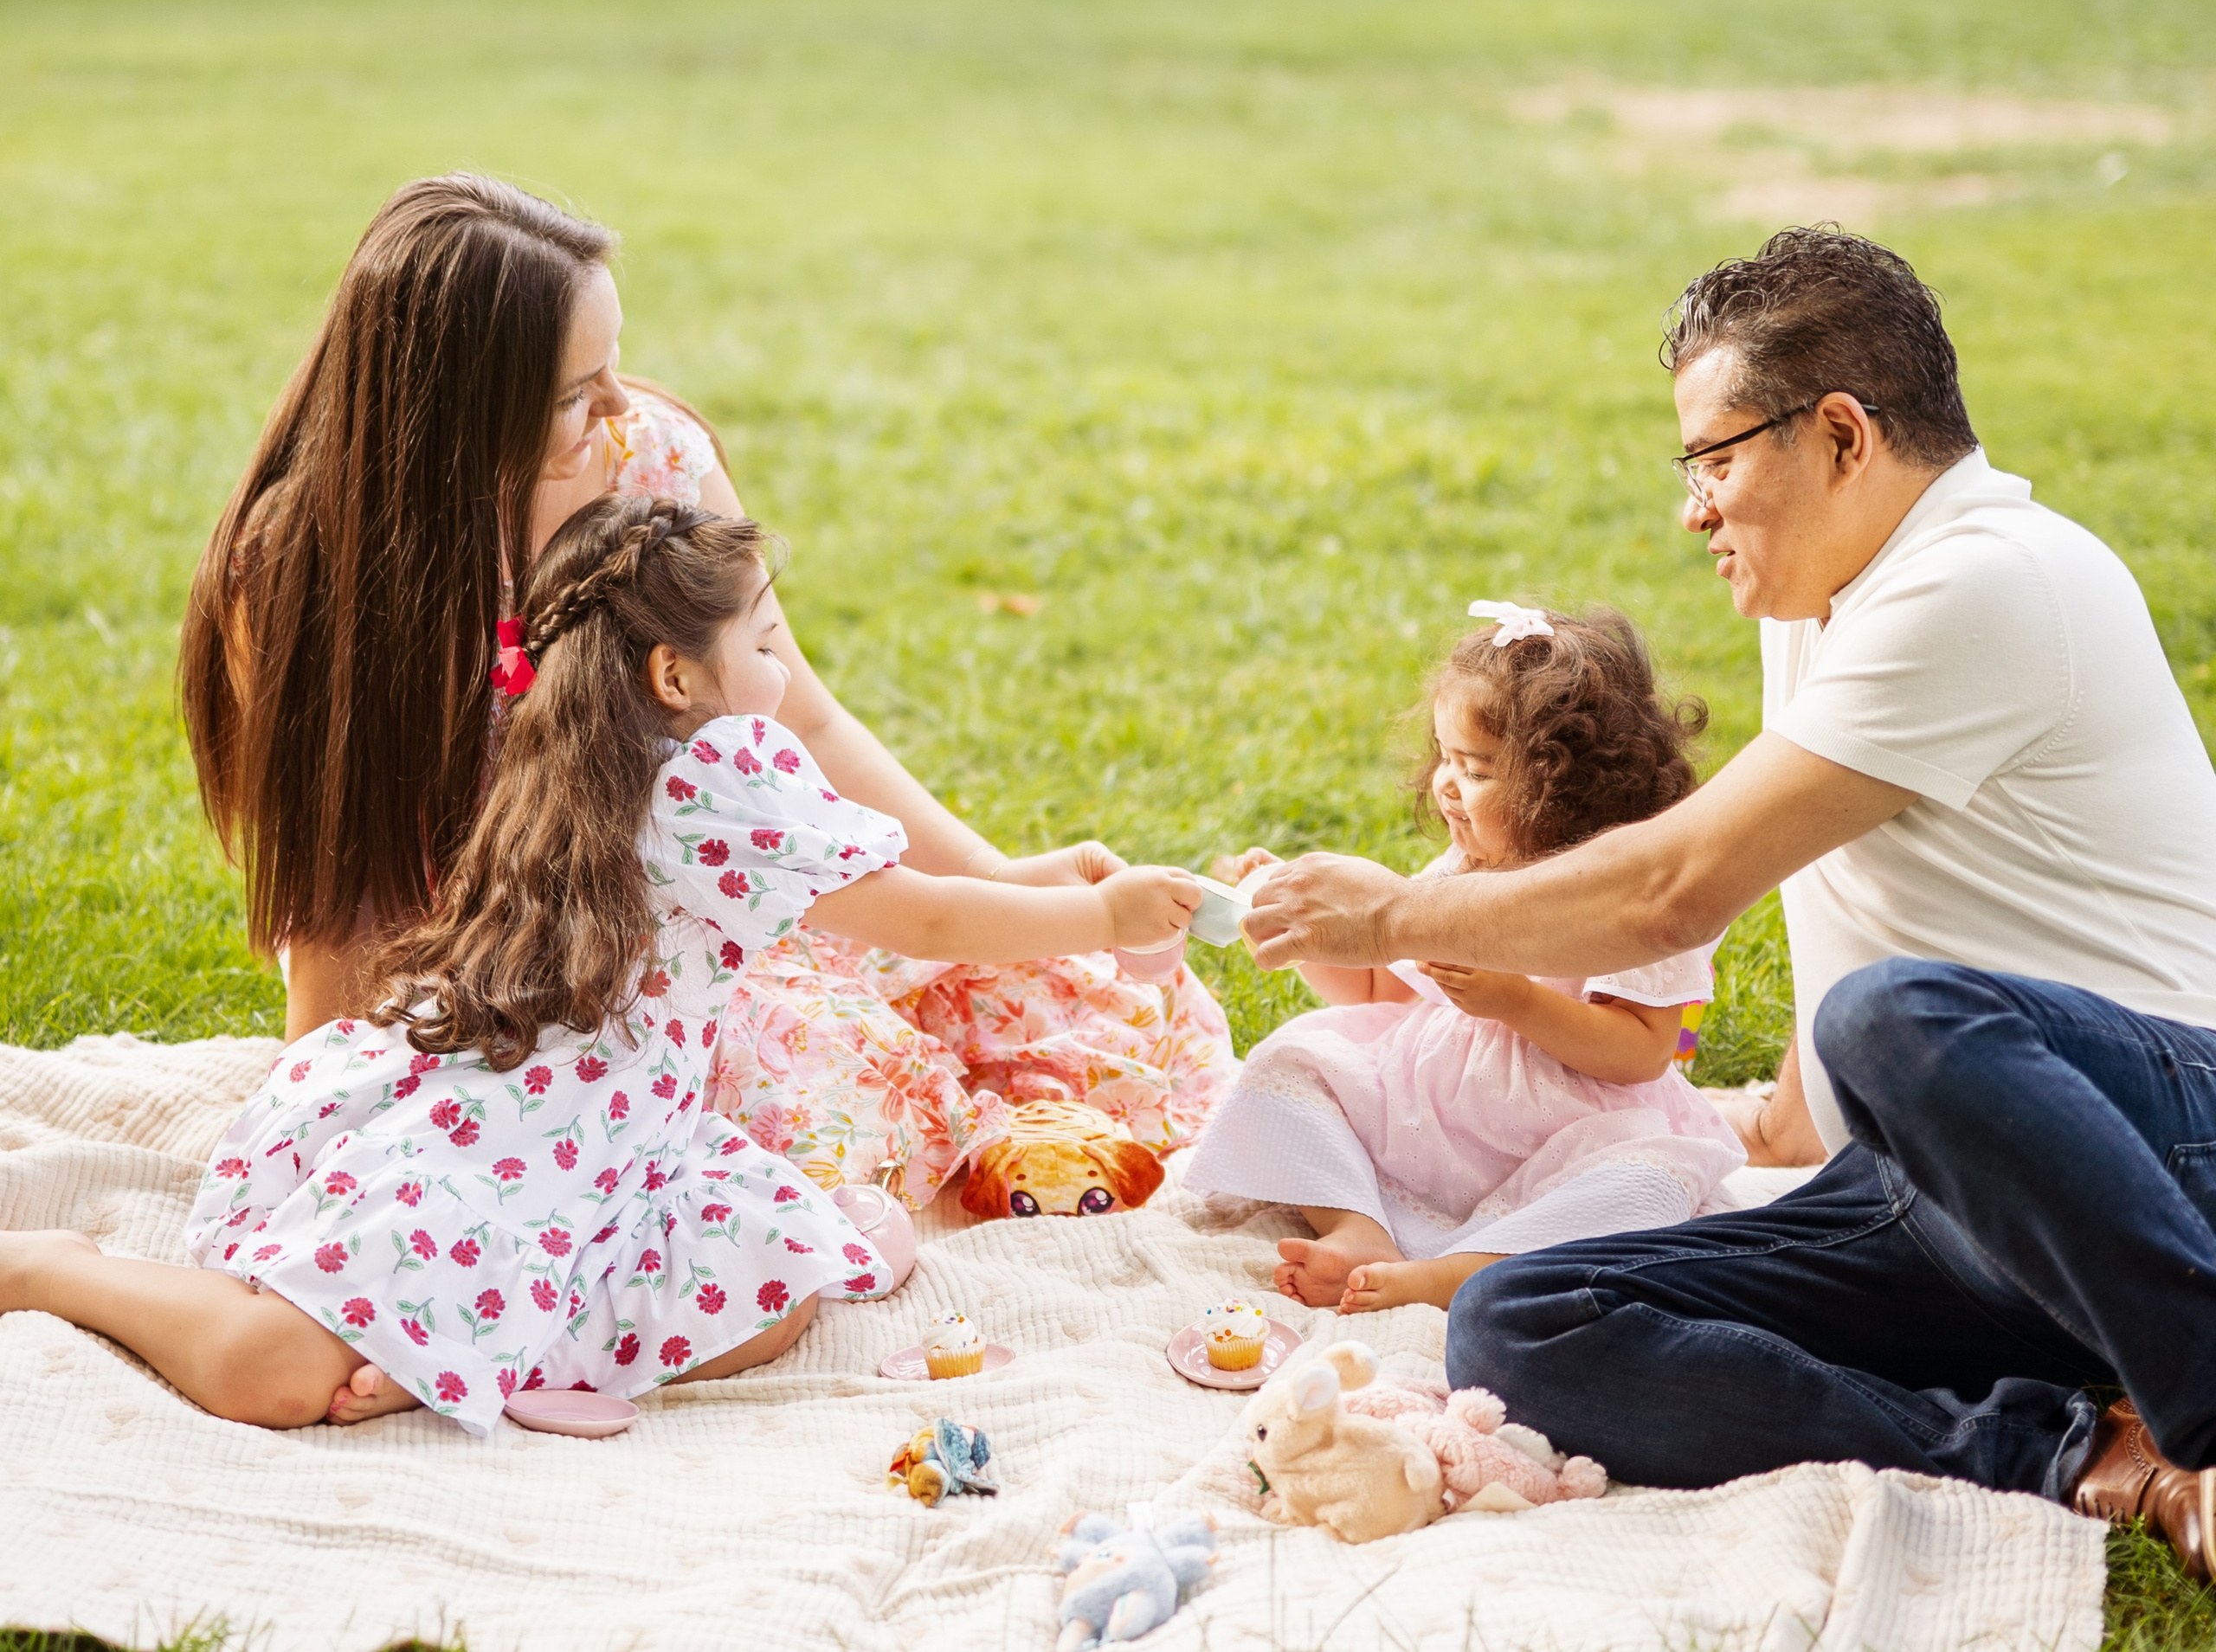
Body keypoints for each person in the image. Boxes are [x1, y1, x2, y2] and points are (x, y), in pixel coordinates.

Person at [1241, 227, 2216, 1576]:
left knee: (1898, 1017)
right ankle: (2079, 1453)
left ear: (1839, 435)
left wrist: (1392, 921)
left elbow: (1676, 884)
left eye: (1717, 458)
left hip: (2160, 1157)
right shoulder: (1820, 593)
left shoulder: (1992, 578)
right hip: (1943, 1196)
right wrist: (1787, 1117)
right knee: (1523, 1317)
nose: (1692, 508)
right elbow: (1849, 884)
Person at [2, 497, 1197, 1432]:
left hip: (592, 1134)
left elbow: (878, 903)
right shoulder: (726, 772)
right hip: (503, 1142)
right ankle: (69, 1272)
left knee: (769, 1295)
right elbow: (920, 920)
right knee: (274, 1370)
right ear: (678, 676)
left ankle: (462, 1345)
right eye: (768, 642)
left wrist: (1047, 881)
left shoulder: (577, 751)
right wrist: (1101, 915)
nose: (784, 674)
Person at [180, 175, 1233, 1206]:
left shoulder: (652, 463)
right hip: (492, 968)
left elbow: (806, 718)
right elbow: (335, 894)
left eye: (615, 366)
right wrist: (317, 1102)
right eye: (571, 396)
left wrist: (999, 878)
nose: (620, 408)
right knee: (779, 1100)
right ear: (459, 417)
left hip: (696, 903)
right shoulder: (301, 572)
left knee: (1054, 994)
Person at [1183, 605, 1741, 1311]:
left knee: (1650, 1179)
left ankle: (1458, 1274)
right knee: (1288, 1061)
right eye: (1445, 757)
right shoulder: (1465, 865)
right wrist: (1303, 936)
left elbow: (1644, 1052)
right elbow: (1379, 983)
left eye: (1475, 769)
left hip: (1566, 1133)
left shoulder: (1625, 896)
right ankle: (1360, 1227)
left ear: (1562, 789)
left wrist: (1519, 1000)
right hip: (1429, 1109)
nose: (1446, 783)